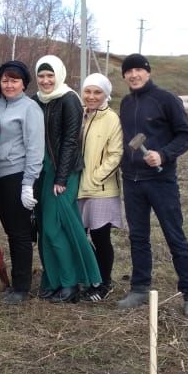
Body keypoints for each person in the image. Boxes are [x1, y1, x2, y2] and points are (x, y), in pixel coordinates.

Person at [116, 54, 188, 318]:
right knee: (138, 237)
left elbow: (186, 135)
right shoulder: (126, 103)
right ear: (124, 76)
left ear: (148, 72)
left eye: (138, 70)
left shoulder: (166, 99)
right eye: (128, 71)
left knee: (174, 235)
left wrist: (163, 154)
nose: (134, 75)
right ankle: (140, 287)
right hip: (132, 180)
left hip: (160, 180)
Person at [32, 55, 102, 303]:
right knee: (45, 229)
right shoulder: (36, 101)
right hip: (41, 172)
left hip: (64, 172)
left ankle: (72, 282)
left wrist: (61, 178)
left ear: (58, 75)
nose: (45, 80)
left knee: (55, 227)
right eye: (41, 76)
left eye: (50, 75)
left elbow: (71, 141)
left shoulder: (69, 99)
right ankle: (53, 281)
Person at [0, 60, 44, 305]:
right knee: (10, 231)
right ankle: (16, 282)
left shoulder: (29, 108)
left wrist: (28, 182)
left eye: (14, 80)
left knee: (20, 233)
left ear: (23, 83)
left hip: (17, 175)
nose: (9, 85)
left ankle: (22, 287)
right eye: (5, 80)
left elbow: (35, 147)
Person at [77, 73, 124, 301]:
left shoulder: (111, 119)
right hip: (78, 187)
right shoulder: (81, 115)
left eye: (97, 92)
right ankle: (88, 277)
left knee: (100, 236)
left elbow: (116, 154)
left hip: (101, 189)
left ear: (106, 94)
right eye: (88, 91)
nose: (92, 96)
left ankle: (104, 282)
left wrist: (96, 177)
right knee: (80, 236)